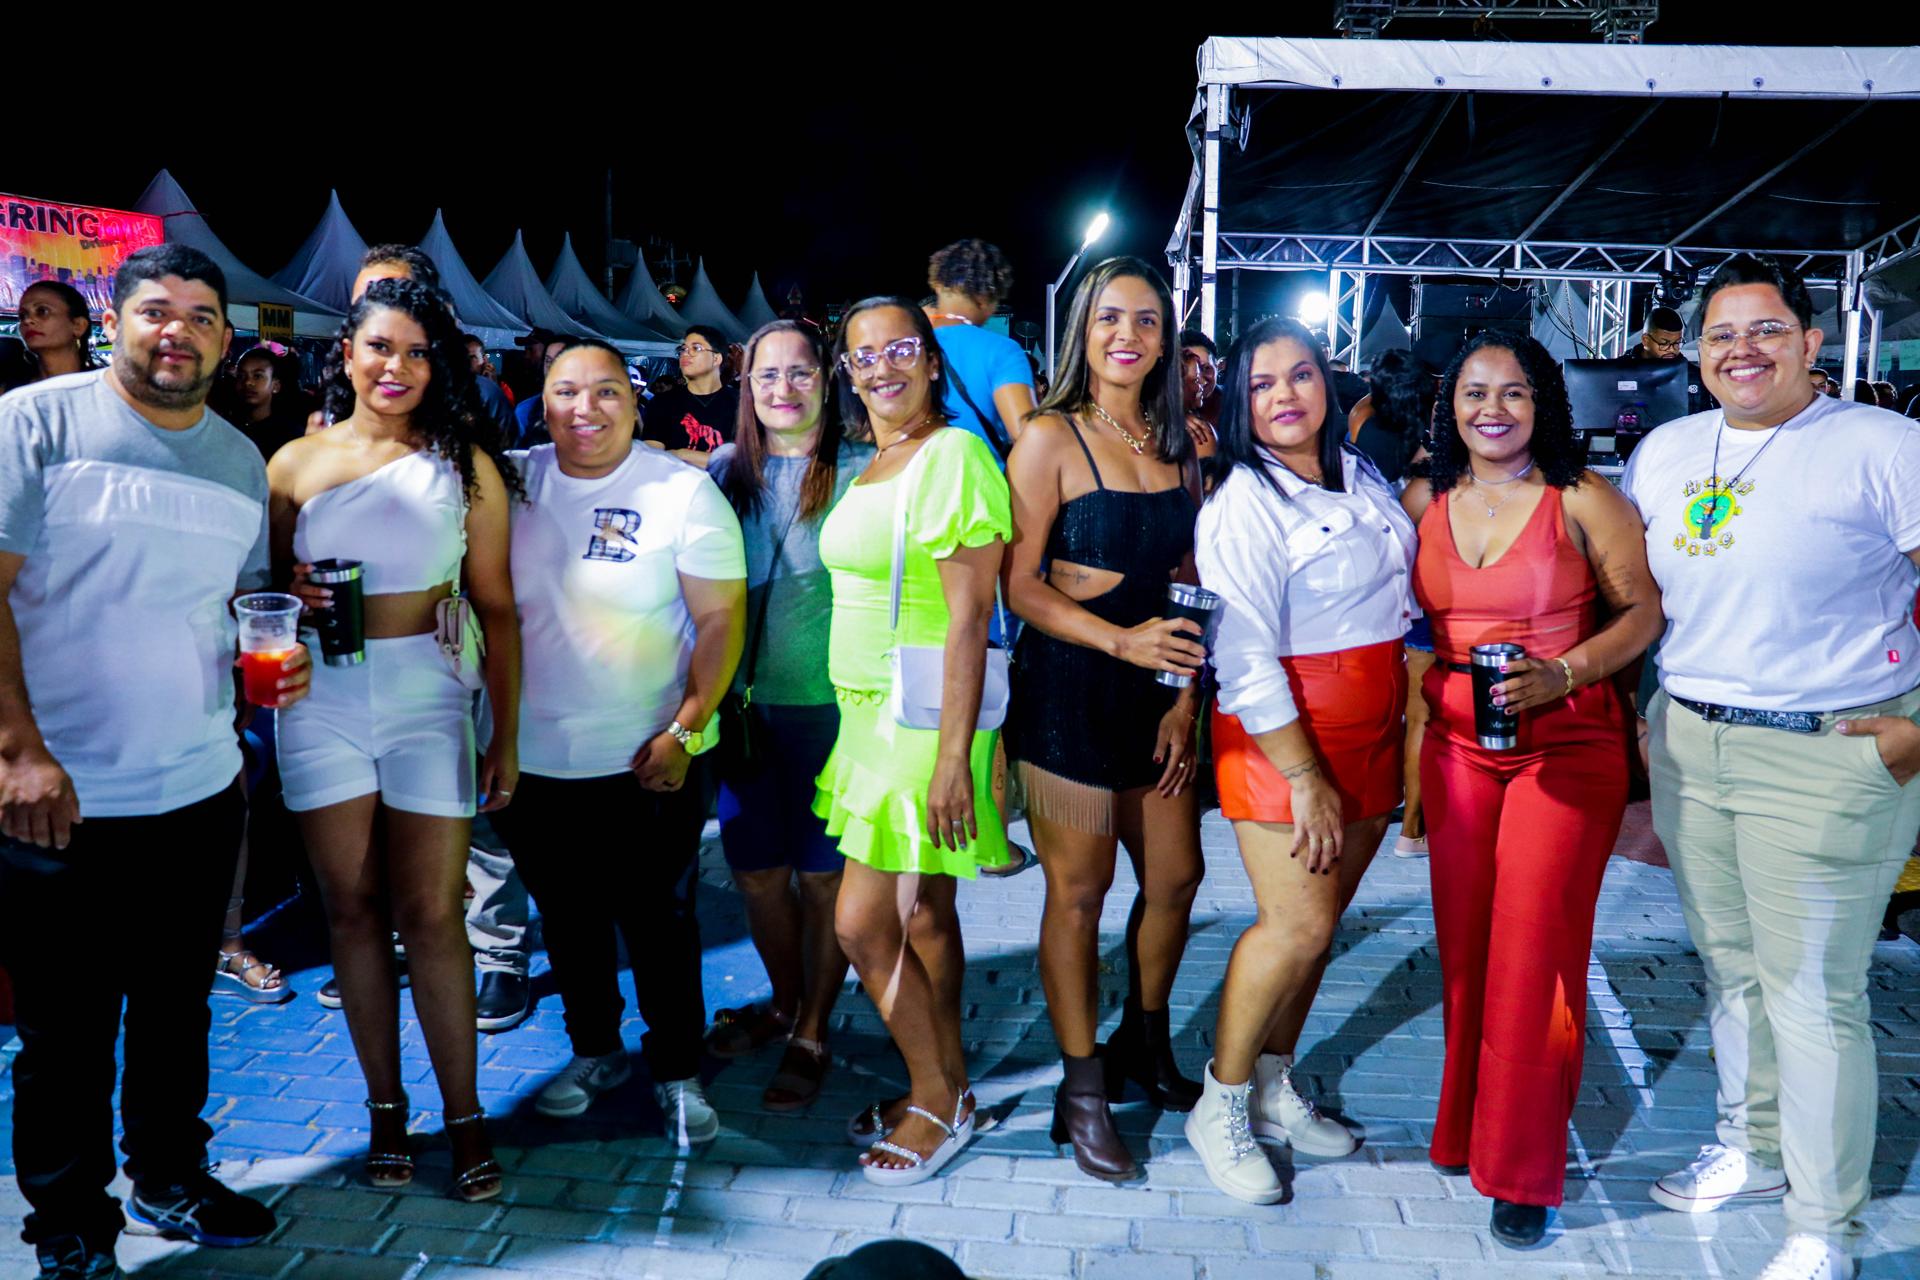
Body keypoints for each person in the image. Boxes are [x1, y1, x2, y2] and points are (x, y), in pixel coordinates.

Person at [0, 245, 301, 1278]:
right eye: (157, 311)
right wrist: (18, 751)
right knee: (65, 1035)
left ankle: (170, 1176)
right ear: (114, 322)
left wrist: (275, 657)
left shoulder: (238, 459)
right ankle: (70, 1224)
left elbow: (235, 605)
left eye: (203, 316)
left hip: (199, 784)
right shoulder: (34, 423)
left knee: (176, 1013)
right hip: (59, 793)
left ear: (224, 337)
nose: (179, 331)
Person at [1625, 254, 1920, 1280]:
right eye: (1721, 334)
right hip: (1695, 742)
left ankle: (1823, 1225)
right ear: (1695, 352)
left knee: (1814, 994)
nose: (1741, 350)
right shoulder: (1666, 451)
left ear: (1811, 340)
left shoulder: (1882, 445)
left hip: (1830, 752)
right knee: (1733, 966)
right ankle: (1751, 1148)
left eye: (1765, 330)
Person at [1403, 332, 1660, 1249]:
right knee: (1468, 948)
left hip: (1566, 746)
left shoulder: (1583, 497)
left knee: (1535, 951)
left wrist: (1566, 671)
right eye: (1475, 392)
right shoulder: (1425, 500)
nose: (1494, 409)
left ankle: (1523, 1170)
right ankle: (1466, 1126)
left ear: (1543, 403)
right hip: (1458, 749)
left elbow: (1643, 612)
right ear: (1450, 405)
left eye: (1514, 392)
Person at [268, 278, 521, 1203]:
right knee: (351, 911)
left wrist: (505, 737)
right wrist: (286, 594)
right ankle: (385, 1110)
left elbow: (499, 608)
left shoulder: (466, 465)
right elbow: (261, 593)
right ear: (346, 353)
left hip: (429, 693)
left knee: (433, 912)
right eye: (380, 347)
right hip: (320, 702)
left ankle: (465, 1115)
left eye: (418, 352)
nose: (397, 367)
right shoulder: (293, 464)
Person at [1182, 316, 1415, 1205]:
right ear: (1239, 402)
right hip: (1287, 735)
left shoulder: (1361, 473)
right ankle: (1221, 1103)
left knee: (1319, 929)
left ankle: (1274, 1085)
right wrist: (1305, 774)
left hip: (1372, 726)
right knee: (1295, 927)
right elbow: (1241, 657)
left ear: (1328, 382)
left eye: (1301, 375)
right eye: (1261, 383)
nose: (1284, 395)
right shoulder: (1243, 501)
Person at [491, 339, 745, 1136]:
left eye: (606, 391)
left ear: (636, 403)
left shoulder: (680, 490)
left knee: (661, 923)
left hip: (649, 758)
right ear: (542, 402)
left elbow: (720, 620)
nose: (585, 409)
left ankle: (677, 1068)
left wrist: (685, 729)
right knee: (568, 922)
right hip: (535, 761)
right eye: (566, 392)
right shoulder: (510, 482)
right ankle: (595, 1050)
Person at [1001, 257, 1206, 1182]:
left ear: (1166, 341)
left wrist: (1185, 699)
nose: (1128, 335)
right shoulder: (1048, 438)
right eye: (1110, 318)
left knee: (1176, 878)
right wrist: (1121, 643)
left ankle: (1142, 1043)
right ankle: (1081, 1090)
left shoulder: (1179, 443)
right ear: (1081, 332)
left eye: (1148, 321)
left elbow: (1193, 584)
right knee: (1079, 895)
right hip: (1069, 696)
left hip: (1156, 698)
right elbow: (1018, 586)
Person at [816, 298, 1012, 1184]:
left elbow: (969, 620)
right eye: (863, 356)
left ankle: (937, 1099)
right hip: (867, 714)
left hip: (920, 725)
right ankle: (946, 1081)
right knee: (925, 914)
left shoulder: (954, 456)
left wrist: (952, 763)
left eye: (900, 348)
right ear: (848, 374)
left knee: (861, 924)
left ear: (933, 360)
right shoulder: (877, 459)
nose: (881, 367)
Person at [704, 320, 871, 1111]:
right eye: (766, 375)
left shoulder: (863, 470)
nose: (783, 388)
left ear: (825, 379)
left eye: (799, 372)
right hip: (745, 713)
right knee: (757, 876)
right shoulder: (724, 472)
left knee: (823, 880)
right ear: (747, 386)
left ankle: (811, 1027)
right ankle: (782, 1000)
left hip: (833, 714)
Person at [1346, 349, 1439, 858]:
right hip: (1422, 593)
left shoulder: (1362, 423)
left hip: (1375, 594)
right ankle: (1412, 830)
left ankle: (1378, 809)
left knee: (1387, 711)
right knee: (1420, 716)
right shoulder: (1429, 451)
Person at [923, 239, 1037, 462]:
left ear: (937, 285)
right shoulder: (1003, 351)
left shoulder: (911, 347)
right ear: (985, 298)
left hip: (917, 479)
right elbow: (1028, 438)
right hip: (980, 479)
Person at [643, 325, 739, 464]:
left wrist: (680, 454)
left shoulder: (741, 403)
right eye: (683, 349)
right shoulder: (662, 403)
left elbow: (743, 463)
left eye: (696, 348)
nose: (685, 354)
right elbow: (653, 460)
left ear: (716, 359)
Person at [1614, 305, 1714, 414]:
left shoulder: (1694, 376)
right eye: (1664, 344)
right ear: (1645, 340)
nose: (1671, 349)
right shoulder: (1618, 371)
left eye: (1677, 343)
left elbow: (1706, 419)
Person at [2, 282, 95, 394]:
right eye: (22, 316)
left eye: (42, 311)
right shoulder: (11, 392)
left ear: (78, 326)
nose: (27, 320)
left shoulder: (104, 387)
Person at [463, 333, 520, 446]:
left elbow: (508, 420)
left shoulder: (501, 388)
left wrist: (494, 386)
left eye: (472, 357)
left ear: (484, 360)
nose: (466, 363)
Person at [1179, 329, 1220, 460]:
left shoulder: (1236, 404)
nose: (1201, 379)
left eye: (1206, 368)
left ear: (1217, 367)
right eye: (1194, 370)